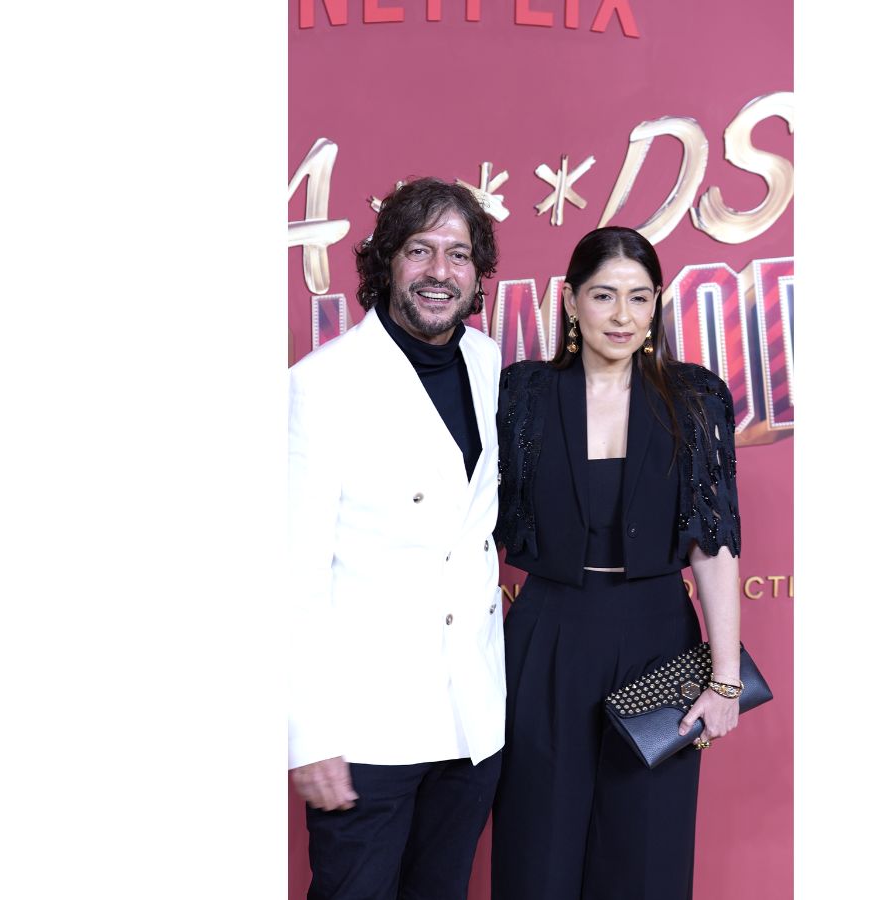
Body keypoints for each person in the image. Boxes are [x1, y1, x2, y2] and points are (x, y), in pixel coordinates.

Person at [490, 226, 743, 900]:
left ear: (657, 303)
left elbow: (714, 544)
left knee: (646, 856)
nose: (622, 316)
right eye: (604, 295)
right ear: (571, 301)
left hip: (659, 638)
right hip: (547, 636)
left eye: (639, 297)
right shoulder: (522, 394)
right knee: (536, 851)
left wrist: (724, 681)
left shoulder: (695, 398)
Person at [288, 177, 505, 900]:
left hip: (470, 719)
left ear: (477, 273)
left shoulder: (487, 361)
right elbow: (292, 576)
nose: (440, 271)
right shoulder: (322, 384)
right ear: (386, 262)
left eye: (458, 254)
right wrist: (309, 736)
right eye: (420, 250)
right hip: (367, 728)